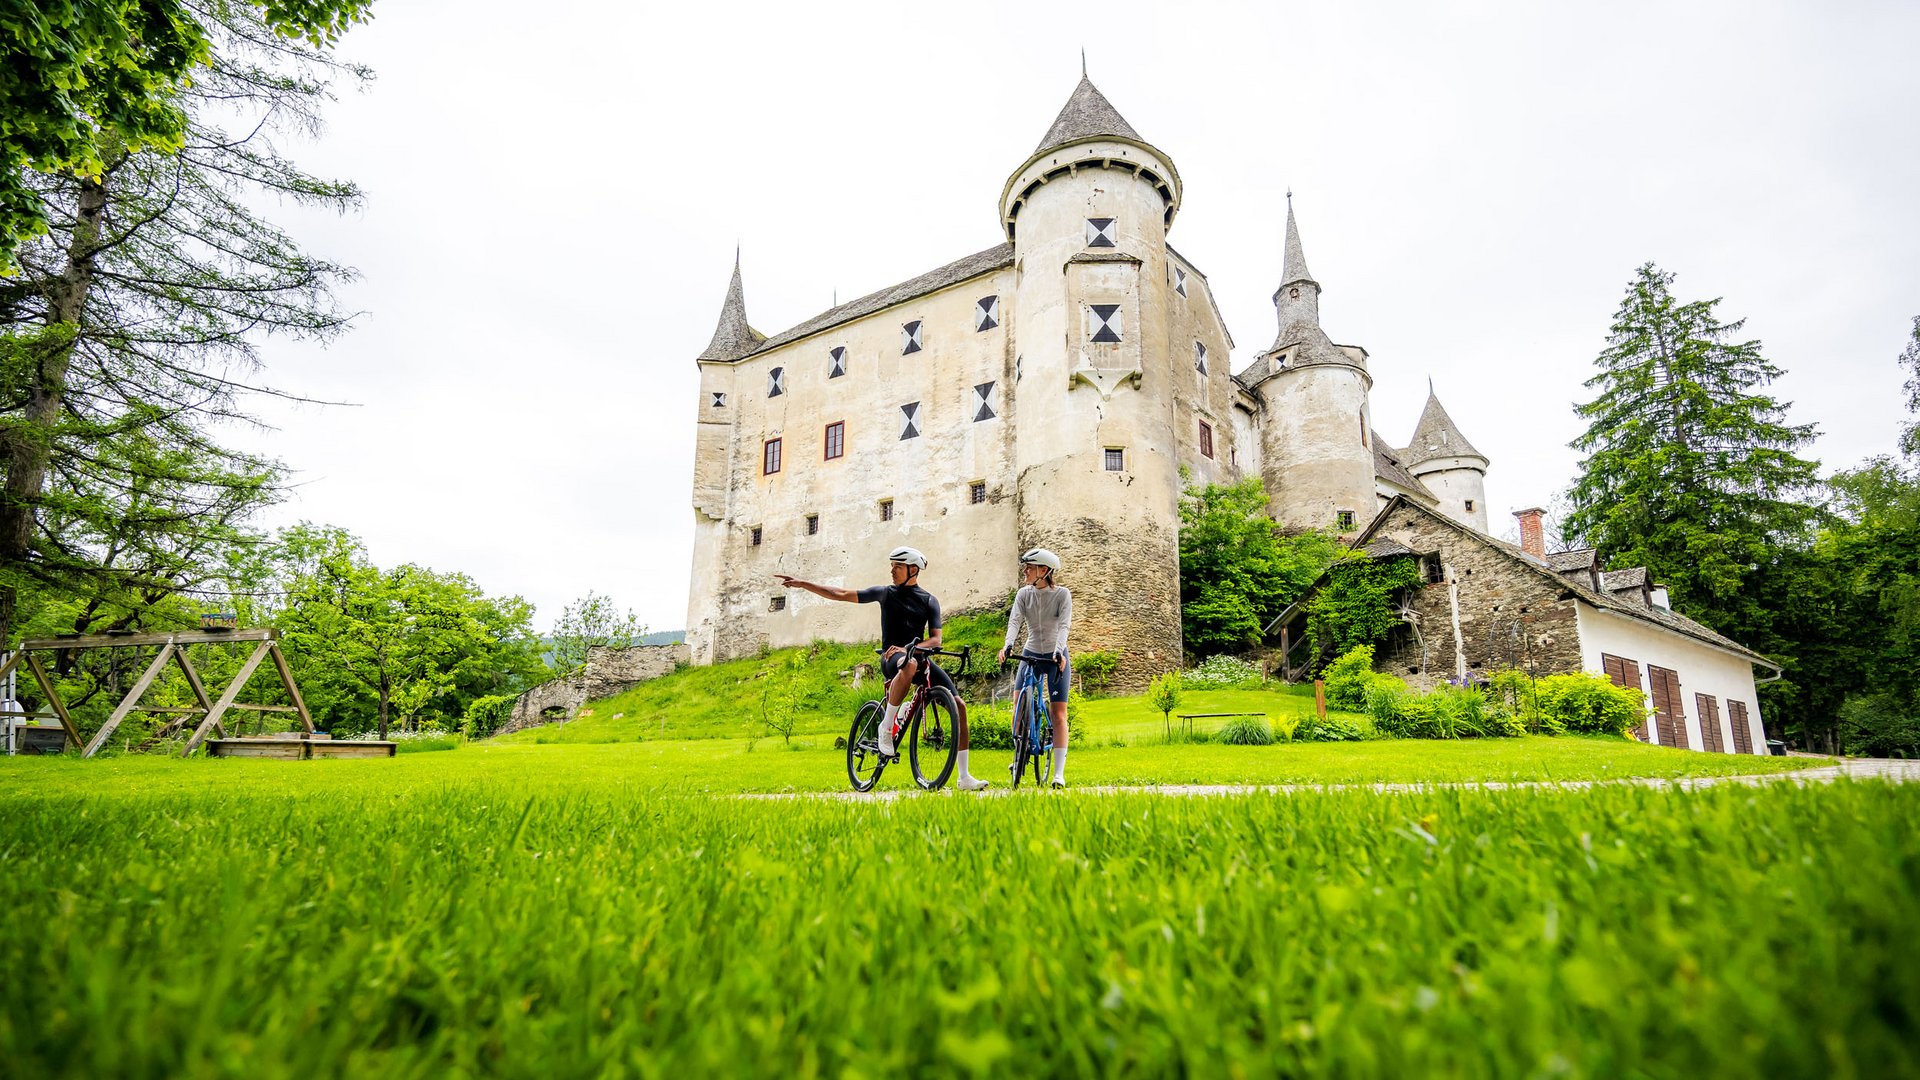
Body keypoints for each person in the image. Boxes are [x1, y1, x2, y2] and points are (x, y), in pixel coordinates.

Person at [777, 546, 989, 790]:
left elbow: (936, 640)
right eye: (891, 566)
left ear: (913, 569)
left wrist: (914, 646)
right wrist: (803, 584)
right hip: (892, 658)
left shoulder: (930, 601)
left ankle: (964, 778)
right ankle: (885, 727)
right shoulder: (885, 593)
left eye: (897, 566)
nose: (892, 571)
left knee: (959, 705)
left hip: (918, 657)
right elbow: (840, 593)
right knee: (907, 664)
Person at [996, 547, 1072, 788]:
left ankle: (1058, 773)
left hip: (1054, 655)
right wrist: (1007, 645)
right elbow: (1015, 621)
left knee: (1058, 714)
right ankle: (1019, 754)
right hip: (1031, 653)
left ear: (1044, 570)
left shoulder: (1062, 595)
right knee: (1018, 706)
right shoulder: (1023, 595)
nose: (1025, 571)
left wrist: (1059, 651)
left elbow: (1064, 627)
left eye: (1029, 567)